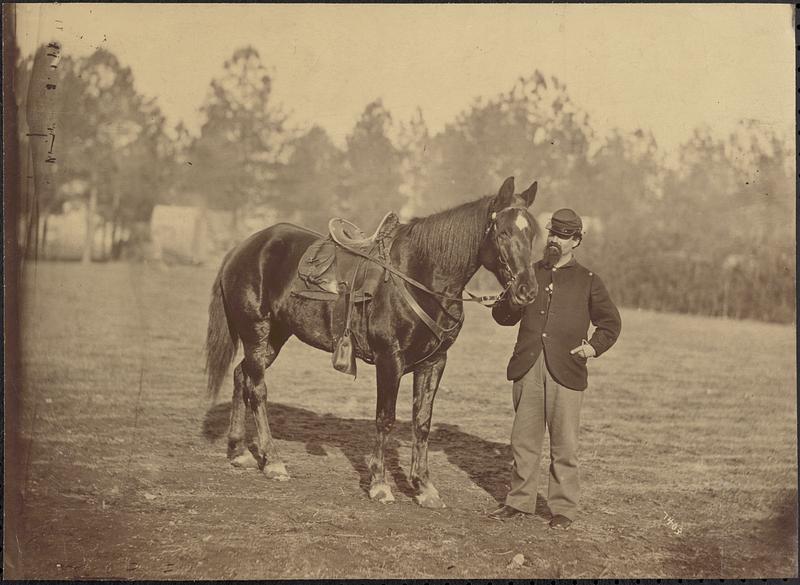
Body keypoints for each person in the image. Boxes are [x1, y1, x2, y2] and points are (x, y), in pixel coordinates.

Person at [488, 208, 622, 529]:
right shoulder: (529, 272)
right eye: (551, 233)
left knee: (564, 445)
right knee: (523, 441)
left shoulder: (589, 281)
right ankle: (519, 503)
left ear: (575, 241)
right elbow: (501, 316)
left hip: (567, 370)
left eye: (562, 236)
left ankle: (562, 509)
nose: (554, 240)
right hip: (528, 366)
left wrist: (593, 347)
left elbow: (610, 323)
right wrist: (512, 303)